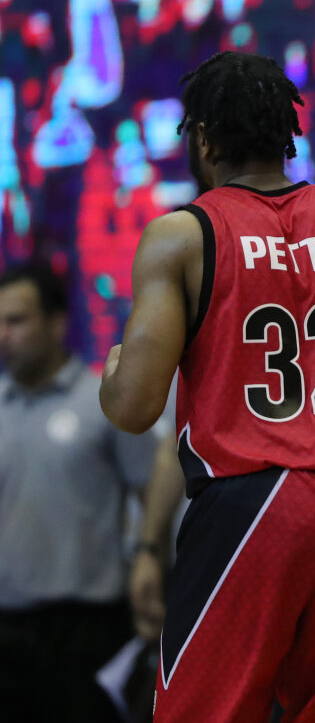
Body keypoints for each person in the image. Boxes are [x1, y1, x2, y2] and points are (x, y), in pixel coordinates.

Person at [98, 51, 315, 723]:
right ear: (288, 136)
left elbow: (135, 408)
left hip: (254, 502)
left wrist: (115, 370)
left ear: (203, 139)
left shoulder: (183, 234)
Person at [0, 261, 158, 722]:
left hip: (88, 629)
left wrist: (149, 556)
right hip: (6, 630)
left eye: (16, 320)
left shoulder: (102, 401)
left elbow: (153, 487)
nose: (3, 334)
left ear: (57, 323)